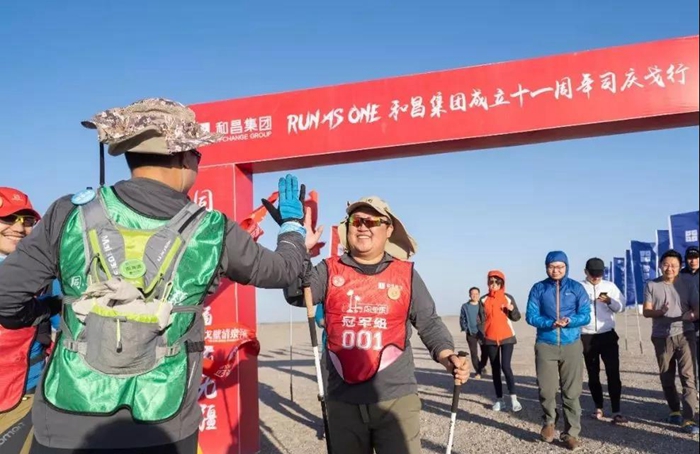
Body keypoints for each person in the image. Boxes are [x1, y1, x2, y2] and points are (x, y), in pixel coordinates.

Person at [0, 98, 321, 453]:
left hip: (67, 417)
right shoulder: (212, 230)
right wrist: (292, 227)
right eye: (198, 155)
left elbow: (5, 297)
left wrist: (52, 307)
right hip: (162, 421)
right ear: (184, 157)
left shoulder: (70, 213)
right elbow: (284, 270)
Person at [284, 195, 469, 454]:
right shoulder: (329, 270)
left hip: (396, 399)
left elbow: (429, 322)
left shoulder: (405, 274)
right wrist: (298, 249)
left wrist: (447, 356)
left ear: (389, 229)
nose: (363, 227)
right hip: (342, 401)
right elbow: (296, 294)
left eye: (372, 222)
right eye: (357, 221)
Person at [0, 187, 60, 454]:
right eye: (7, 218)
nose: (18, 227)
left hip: (24, 400)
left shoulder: (48, 277)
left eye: (27, 220)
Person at [526, 251, 591, 451]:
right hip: (546, 343)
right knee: (546, 389)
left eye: (560, 267)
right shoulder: (538, 288)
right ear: (546, 267)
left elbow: (586, 315)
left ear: (566, 267)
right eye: (552, 266)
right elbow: (531, 315)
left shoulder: (577, 288)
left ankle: (571, 433)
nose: (556, 270)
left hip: (571, 344)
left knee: (571, 392)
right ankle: (549, 421)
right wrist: (550, 323)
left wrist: (570, 321)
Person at [642, 249, 699, 434]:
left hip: (685, 333)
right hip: (661, 336)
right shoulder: (652, 285)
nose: (670, 269)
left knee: (688, 377)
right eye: (666, 264)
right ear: (660, 265)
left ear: (680, 266)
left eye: (674, 265)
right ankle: (674, 410)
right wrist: (660, 312)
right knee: (666, 375)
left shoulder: (688, 283)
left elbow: (697, 308)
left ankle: (689, 419)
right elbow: (646, 311)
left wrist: (692, 315)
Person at [579, 257, 627, 424]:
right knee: (593, 373)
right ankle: (598, 407)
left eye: (599, 274)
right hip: (586, 335)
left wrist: (609, 301)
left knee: (613, 372)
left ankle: (616, 410)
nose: (596, 278)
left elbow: (622, 306)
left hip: (607, 334)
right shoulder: (579, 287)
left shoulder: (610, 286)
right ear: (585, 272)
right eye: (592, 274)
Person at [479, 270, 522, 412]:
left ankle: (514, 399)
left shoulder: (508, 298)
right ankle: (499, 400)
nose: (494, 284)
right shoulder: (483, 300)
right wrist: (482, 334)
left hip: (507, 337)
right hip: (490, 339)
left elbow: (516, 317)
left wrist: (511, 310)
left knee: (506, 367)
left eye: (497, 282)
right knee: (495, 369)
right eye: (491, 281)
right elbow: (480, 320)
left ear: (502, 283)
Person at [459, 286, 488, 379]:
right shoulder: (465, 306)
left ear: (479, 295)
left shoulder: (483, 305)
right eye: (472, 294)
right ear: (469, 295)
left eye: (476, 294)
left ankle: (482, 366)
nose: (474, 295)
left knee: (485, 352)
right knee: (474, 353)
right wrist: (465, 328)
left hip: (482, 333)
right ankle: (478, 371)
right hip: (471, 333)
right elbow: (462, 318)